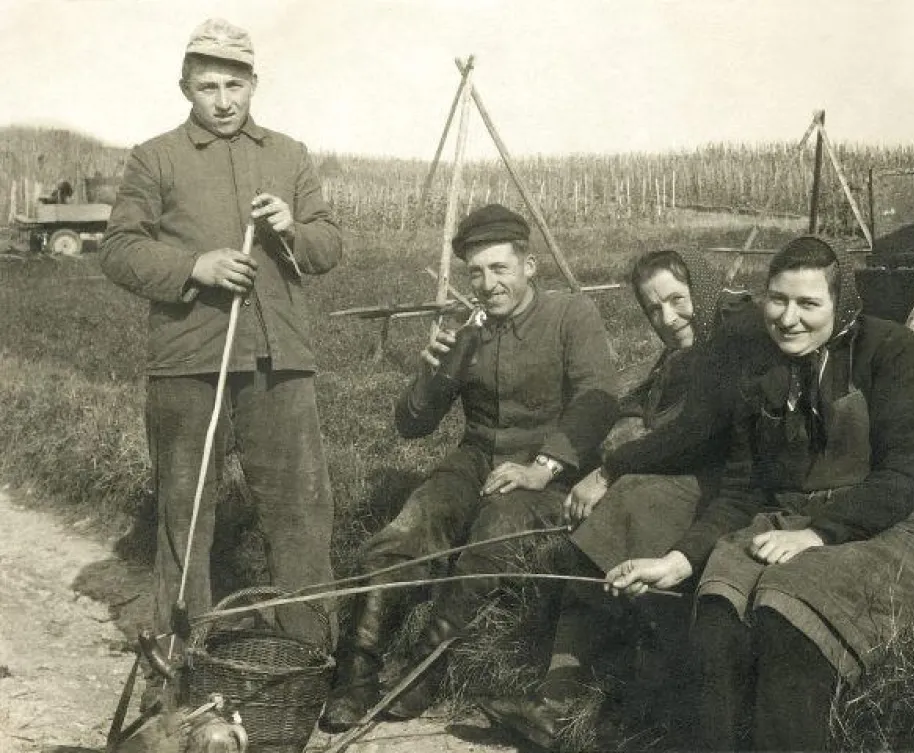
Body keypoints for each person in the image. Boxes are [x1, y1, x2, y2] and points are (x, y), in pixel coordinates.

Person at [608, 236, 914, 751]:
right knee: (715, 616)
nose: (787, 318)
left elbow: (906, 473)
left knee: (786, 619)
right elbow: (739, 491)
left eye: (808, 304)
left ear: (839, 304)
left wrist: (818, 534)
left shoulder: (890, 350)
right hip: (785, 519)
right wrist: (678, 560)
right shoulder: (756, 368)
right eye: (777, 299)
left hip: (896, 524)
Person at [319, 203, 619, 732]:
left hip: (551, 468)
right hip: (476, 457)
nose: (487, 284)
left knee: (493, 530)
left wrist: (544, 468)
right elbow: (411, 426)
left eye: (499, 268)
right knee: (408, 527)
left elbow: (597, 400)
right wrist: (431, 372)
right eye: (476, 272)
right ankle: (356, 673)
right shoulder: (469, 332)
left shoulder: (571, 316)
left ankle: (425, 672)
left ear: (529, 265)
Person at [100, 19, 342, 657]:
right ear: (185, 87)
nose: (224, 100)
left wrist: (292, 229)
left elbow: (328, 245)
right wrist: (193, 267)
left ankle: (309, 661)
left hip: (280, 366)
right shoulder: (155, 157)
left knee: (300, 517)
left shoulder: (289, 154)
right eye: (208, 86)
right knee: (185, 518)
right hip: (190, 365)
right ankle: (183, 661)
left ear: (254, 82)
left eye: (235, 83)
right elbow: (119, 250)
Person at [478, 249, 745, 748]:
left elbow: (698, 432)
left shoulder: (730, 346)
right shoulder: (680, 354)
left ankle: (581, 701)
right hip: (680, 468)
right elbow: (642, 403)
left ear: (703, 292)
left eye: (677, 300)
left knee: (626, 506)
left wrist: (611, 469)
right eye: (653, 310)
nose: (668, 319)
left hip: (725, 480)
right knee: (612, 515)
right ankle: (557, 698)